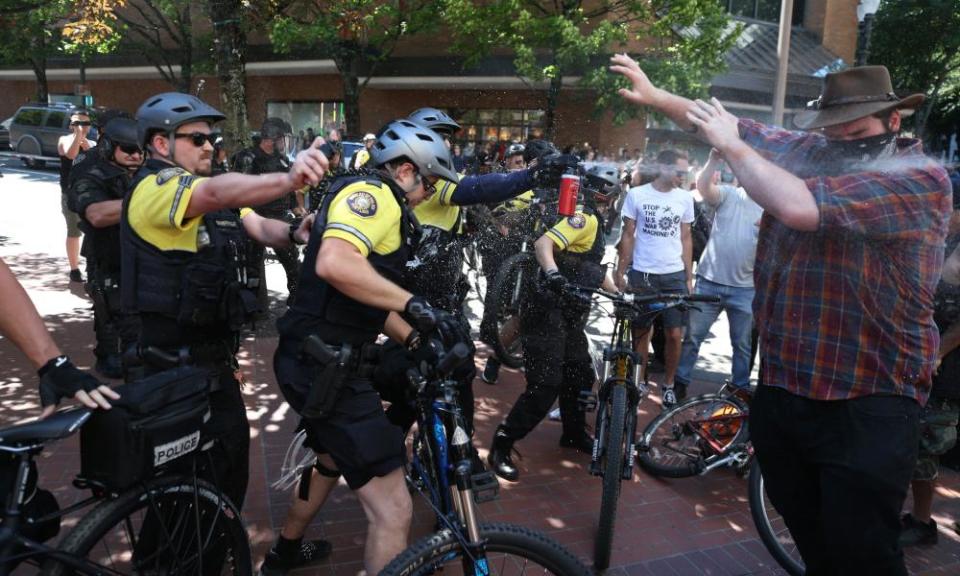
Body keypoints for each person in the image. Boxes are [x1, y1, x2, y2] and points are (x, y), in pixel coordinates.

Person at [611, 54, 951, 574]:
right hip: (787, 389)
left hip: (870, 399)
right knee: (813, 538)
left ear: (893, 123)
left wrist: (731, 146)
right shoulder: (815, 149)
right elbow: (718, 122)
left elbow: (798, 207)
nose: (841, 141)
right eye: (833, 131)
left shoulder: (920, 181)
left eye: (856, 130)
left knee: (862, 550)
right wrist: (657, 96)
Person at [270, 119, 462, 576]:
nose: (429, 194)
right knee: (394, 510)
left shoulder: (370, 195)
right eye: (428, 181)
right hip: (325, 365)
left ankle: (283, 554)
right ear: (403, 171)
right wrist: (415, 305)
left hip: (313, 358)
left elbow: (363, 294)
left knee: (329, 459)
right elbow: (336, 263)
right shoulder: (377, 198)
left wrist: (415, 338)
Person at [122, 92, 327, 518]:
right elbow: (217, 192)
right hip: (170, 369)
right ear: (161, 144)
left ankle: (214, 554)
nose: (209, 146)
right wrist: (289, 180)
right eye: (197, 139)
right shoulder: (155, 188)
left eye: (211, 139)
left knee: (225, 474)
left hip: (210, 364)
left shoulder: (206, 190)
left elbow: (255, 223)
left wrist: (295, 232)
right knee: (185, 494)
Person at [488, 165, 620, 481]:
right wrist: (553, 274)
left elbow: (589, 268)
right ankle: (501, 444)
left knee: (580, 372)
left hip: (568, 314)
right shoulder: (584, 218)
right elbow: (543, 245)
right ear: (606, 195)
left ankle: (573, 433)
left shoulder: (590, 218)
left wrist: (621, 297)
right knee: (545, 386)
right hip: (546, 311)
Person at [900, 175, 960, 547]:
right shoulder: (942, 239)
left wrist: (938, 352)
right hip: (930, 359)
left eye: (948, 207)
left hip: (947, 366)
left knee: (929, 440)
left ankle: (923, 523)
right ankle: (922, 521)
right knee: (925, 443)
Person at [674, 148, 763, 395]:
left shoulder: (771, 208)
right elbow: (702, 187)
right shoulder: (730, 194)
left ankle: (740, 390)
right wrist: (713, 159)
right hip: (709, 282)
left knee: (742, 346)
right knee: (693, 338)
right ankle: (680, 382)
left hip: (745, 289)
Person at [613, 149, 694, 408]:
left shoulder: (685, 198)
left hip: (673, 275)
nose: (683, 177)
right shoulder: (637, 194)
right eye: (679, 172)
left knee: (673, 334)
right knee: (641, 332)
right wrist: (620, 270)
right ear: (663, 167)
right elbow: (627, 235)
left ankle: (668, 384)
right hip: (643, 274)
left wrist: (689, 277)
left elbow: (686, 237)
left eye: (685, 172)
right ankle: (638, 381)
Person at [70, 117, 144, 380]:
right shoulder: (90, 169)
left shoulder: (147, 170)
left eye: (141, 150)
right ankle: (109, 357)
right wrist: (150, 201)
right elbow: (96, 214)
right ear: (109, 146)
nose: (137, 155)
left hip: (144, 257)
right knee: (110, 313)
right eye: (129, 150)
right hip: (107, 253)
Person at [233, 118, 303, 307]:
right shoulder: (249, 158)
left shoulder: (281, 159)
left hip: (279, 218)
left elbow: (288, 187)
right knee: (252, 268)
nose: (283, 143)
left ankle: (297, 303)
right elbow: (240, 188)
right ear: (271, 138)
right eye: (281, 138)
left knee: (293, 266)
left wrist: (296, 208)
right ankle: (253, 308)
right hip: (255, 219)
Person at [58, 109, 96, 283]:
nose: (83, 127)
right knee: (74, 232)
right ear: (71, 125)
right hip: (70, 193)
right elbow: (71, 154)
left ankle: (93, 266)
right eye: (79, 123)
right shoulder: (64, 140)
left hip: (90, 192)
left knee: (94, 232)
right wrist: (78, 136)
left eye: (86, 123)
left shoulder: (93, 143)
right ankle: (74, 269)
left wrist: (89, 149)